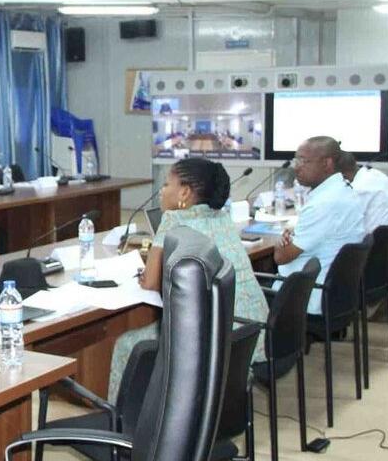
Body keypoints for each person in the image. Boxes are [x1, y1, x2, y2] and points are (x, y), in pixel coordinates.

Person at [107, 158, 269, 400]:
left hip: (214, 339)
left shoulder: (174, 220)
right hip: (250, 335)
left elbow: (150, 283)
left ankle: (119, 418)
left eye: (166, 185)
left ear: (184, 192)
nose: (161, 191)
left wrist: (149, 272)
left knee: (126, 344)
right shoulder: (222, 216)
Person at [276, 136, 365, 314]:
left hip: (307, 295)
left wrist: (279, 244)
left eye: (303, 161)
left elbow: (281, 257)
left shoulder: (323, 203)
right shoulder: (343, 189)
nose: (296, 167)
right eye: (296, 160)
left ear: (327, 163)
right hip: (336, 293)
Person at [337, 152, 388, 233]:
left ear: (342, 176)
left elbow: (343, 225)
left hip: (373, 237)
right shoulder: (377, 174)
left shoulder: (358, 189)